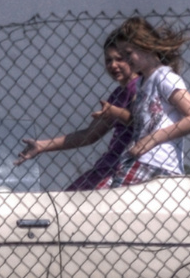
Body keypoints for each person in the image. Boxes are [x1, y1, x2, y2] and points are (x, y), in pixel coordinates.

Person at [95, 16, 190, 188]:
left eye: (129, 53)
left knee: (105, 200)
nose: (127, 59)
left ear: (146, 47)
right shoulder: (141, 84)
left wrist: (152, 139)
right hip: (137, 161)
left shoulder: (164, 78)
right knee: (99, 196)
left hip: (157, 163)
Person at [15, 37, 140, 188]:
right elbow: (89, 135)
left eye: (119, 59)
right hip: (109, 163)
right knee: (72, 197)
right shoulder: (118, 94)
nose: (113, 65)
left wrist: (115, 112)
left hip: (128, 163)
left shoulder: (139, 87)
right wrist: (42, 146)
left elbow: (138, 121)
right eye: (108, 60)